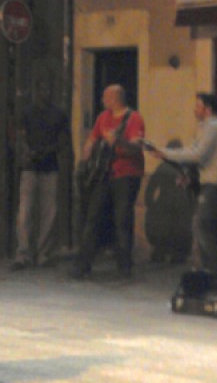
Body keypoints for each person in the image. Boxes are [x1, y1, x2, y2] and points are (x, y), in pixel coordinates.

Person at [149, 93, 217, 274]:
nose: (195, 109)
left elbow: (197, 155)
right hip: (209, 182)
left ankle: (216, 269)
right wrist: (189, 176)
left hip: (216, 183)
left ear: (207, 108)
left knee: (199, 223)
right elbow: (196, 155)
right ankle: (209, 268)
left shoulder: (214, 127)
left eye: (198, 106)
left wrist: (165, 153)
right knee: (204, 225)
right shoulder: (205, 128)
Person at [70, 85, 145, 279]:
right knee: (92, 217)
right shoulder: (103, 117)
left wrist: (118, 141)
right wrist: (84, 162)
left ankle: (124, 266)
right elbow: (91, 140)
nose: (102, 99)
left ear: (115, 98)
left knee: (122, 220)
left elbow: (136, 148)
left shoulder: (133, 119)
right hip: (103, 174)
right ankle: (83, 264)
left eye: (106, 96)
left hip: (126, 175)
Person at [11, 78, 71, 270]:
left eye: (48, 89)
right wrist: (25, 151)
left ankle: (43, 253)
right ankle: (23, 253)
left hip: (50, 166)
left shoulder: (58, 114)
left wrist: (49, 150)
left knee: (49, 212)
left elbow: (64, 140)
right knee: (25, 211)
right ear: (36, 91)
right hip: (30, 166)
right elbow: (19, 136)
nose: (46, 93)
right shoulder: (27, 112)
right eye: (42, 89)